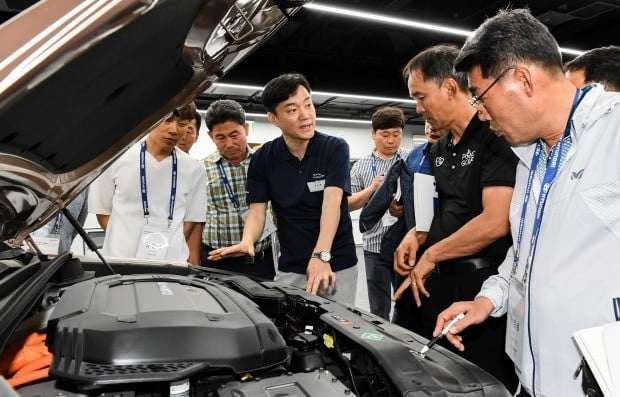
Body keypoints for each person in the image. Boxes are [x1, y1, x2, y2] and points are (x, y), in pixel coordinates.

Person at [433, 9, 620, 397]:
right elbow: (524, 255)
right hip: (533, 379)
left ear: (523, 79)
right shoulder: (529, 157)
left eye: (482, 97)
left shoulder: (613, 133)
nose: (480, 115)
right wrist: (488, 300)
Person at [393, 44, 518, 390]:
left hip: (481, 284)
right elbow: (445, 207)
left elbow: (496, 221)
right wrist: (417, 236)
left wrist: (431, 254)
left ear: (449, 87)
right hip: (438, 280)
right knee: (439, 374)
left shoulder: (495, 137)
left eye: (421, 97)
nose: (418, 109)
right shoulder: (438, 148)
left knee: (482, 379)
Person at [208, 73, 358, 304]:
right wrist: (248, 240)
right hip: (293, 263)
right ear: (274, 119)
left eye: (308, 104)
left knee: (340, 329)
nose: (305, 115)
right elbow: (257, 211)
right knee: (294, 328)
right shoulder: (264, 158)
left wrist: (321, 255)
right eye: (292, 110)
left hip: (336, 260)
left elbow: (332, 204)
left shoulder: (334, 148)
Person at [89, 104, 206, 264]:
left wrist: (167, 245)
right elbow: (102, 212)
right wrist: (124, 241)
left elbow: (191, 219)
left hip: (171, 263)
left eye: (182, 124)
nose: (174, 129)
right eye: (167, 120)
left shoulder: (194, 168)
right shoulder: (115, 158)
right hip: (120, 260)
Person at [200, 99, 275, 279]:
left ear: (246, 129)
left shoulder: (265, 163)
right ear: (211, 136)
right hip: (217, 260)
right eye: (221, 137)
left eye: (235, 135)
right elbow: (195, 219)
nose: (229, 144)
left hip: (260, 260)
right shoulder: (202, 169)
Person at [348, 107, 409, 320]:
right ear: (373, 134)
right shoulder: (360, 167)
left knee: (406, 306)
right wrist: (372, 189)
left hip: (405, 246)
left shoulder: (410, 161)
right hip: (374, 247)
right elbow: (348, 204)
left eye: (396, 134)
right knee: (378, 310)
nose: (391, 140)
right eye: (385, 135)